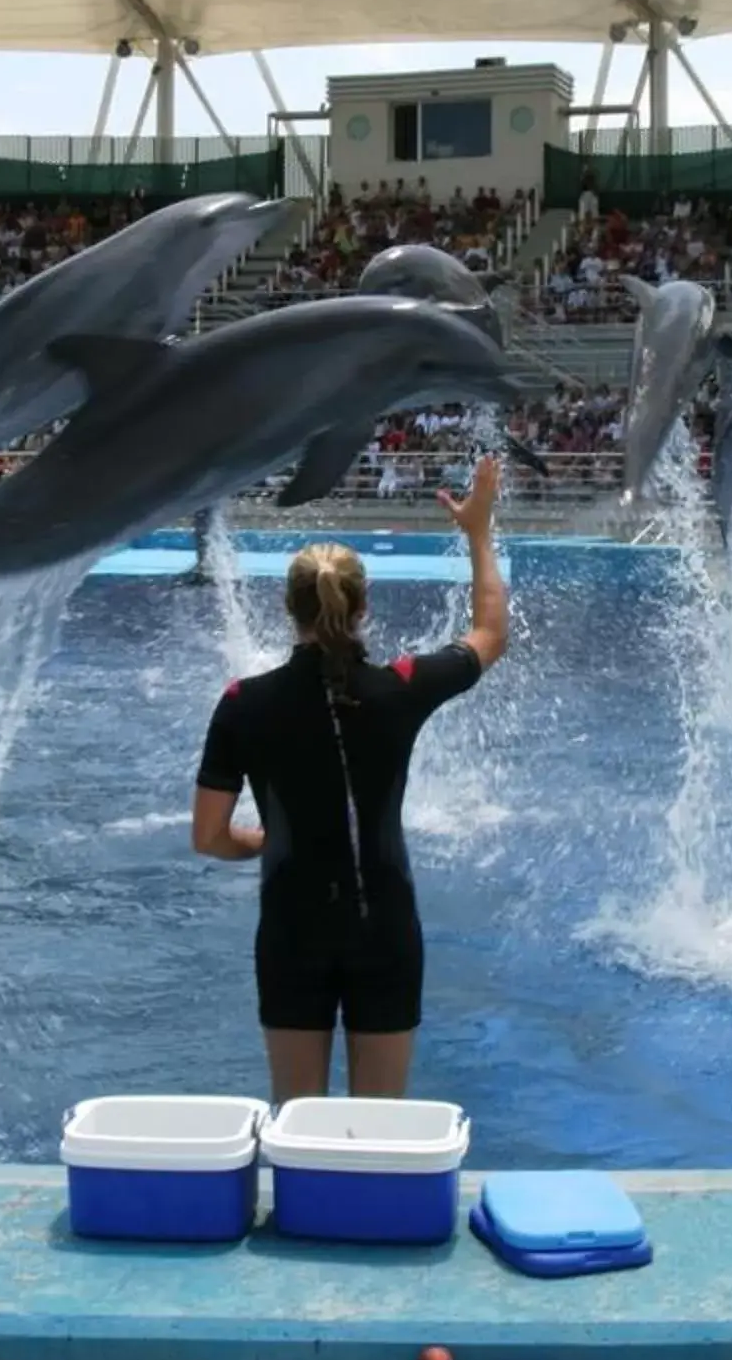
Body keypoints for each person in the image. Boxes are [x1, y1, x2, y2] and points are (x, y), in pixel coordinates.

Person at [191, 456, 511, 1103]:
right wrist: (477, 531)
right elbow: (491, 632)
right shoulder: (401, 688)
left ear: (289, 609)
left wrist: (269, 839)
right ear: (363, 607)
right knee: (382, 1125)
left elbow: (210, 838)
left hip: (290, 928)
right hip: (385, 926)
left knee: (295, 1116)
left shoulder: (241, 702)